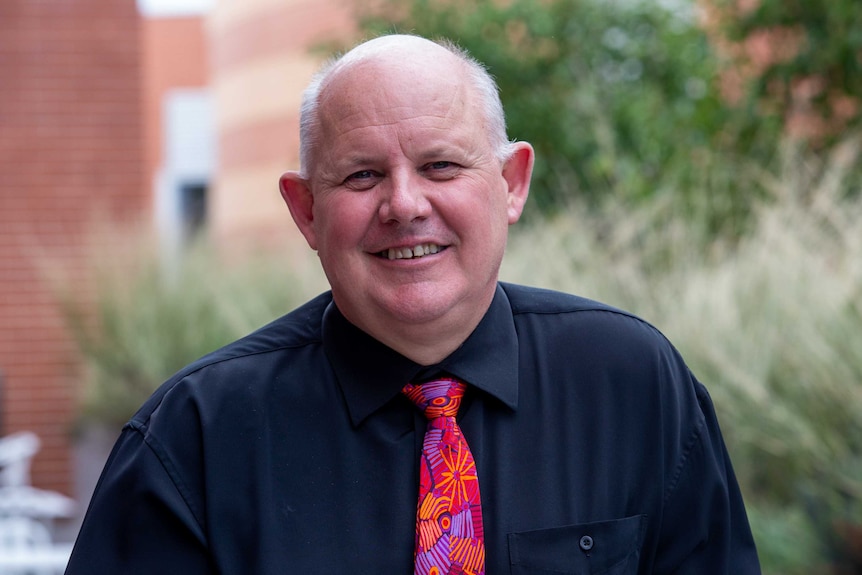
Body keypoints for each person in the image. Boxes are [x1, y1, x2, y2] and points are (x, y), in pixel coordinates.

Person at [64, 34, 761, 574]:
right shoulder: (193, 440)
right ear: (306, 210)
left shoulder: (634, 386)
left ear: (511, 182)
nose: (404, 204)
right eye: (362, 174)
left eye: (441, 165)